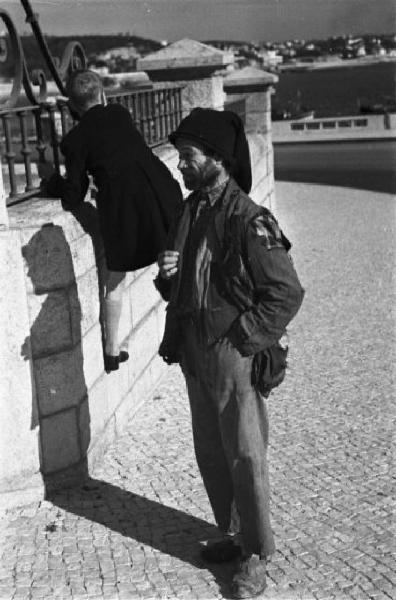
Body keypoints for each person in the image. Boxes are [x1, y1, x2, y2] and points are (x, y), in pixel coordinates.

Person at [155, 108, 304, 599]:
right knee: (211, 452)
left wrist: (244, 339)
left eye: (188, 156)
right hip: (197, 352)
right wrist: (167, 275)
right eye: (180, 157)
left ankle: (257, 555)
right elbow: (183, 288)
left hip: (232, 355)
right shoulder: (192, 209)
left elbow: (286, 292)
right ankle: (236, 536)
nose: (180, 165)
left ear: (216, 158)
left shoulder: (247, 218)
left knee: (243, 454)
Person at [39, 69, 182, 373]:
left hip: (122, 208)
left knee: (115, 278)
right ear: (102, 93)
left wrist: (52, 182)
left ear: (72, 106)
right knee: (172, 257)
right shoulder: (119, 113)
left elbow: (73, 197)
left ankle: (111, 352)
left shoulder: (75, 140)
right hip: (159, 190)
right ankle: (186, 321)